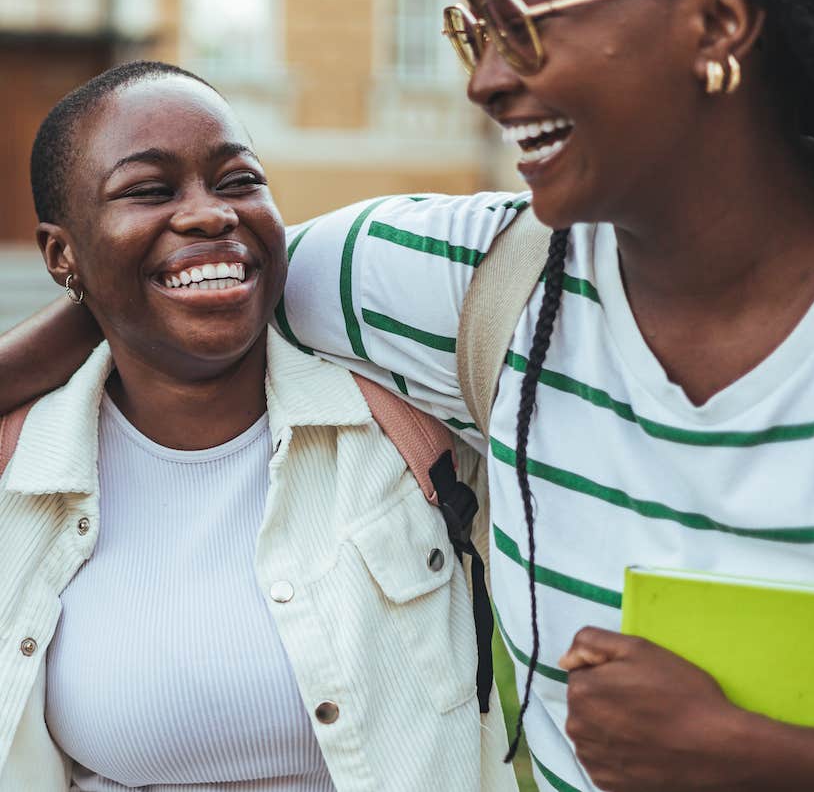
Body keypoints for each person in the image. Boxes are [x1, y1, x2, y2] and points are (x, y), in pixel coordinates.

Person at [5, 0, 814, 789]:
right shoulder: (457, 280)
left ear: (715, 21)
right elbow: (191, 285)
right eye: (471, 33)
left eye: (521, 22)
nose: (483, 83)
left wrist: (758, 756)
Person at [0, 61, 518, 792]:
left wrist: (152, 271)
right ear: (60, 252)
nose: (210, 213)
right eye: (149, 190)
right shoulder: (20, 475)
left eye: (239, 181)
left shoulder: (405, 423)